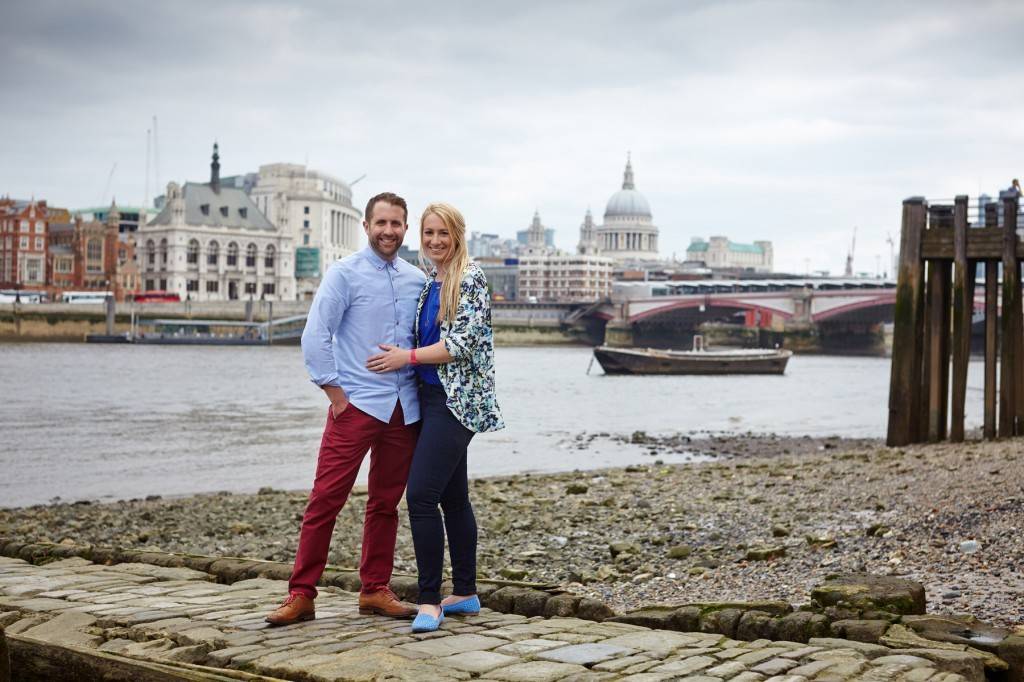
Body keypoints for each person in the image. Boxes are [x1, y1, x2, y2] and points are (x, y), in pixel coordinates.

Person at [265, 192, 425, 626]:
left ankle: (374, 589)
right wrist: (335, 393)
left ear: (405, 228)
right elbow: (315, 335)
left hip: (402, 410)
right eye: (381, 223)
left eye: (396, 224)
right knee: (325, 499)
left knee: (385, 504)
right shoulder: (344, 274)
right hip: (354, 405)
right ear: (367, 226)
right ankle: (301, 594)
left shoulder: (417, 280)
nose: (388, 231)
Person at [367, 202, 504, 633]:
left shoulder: (471, 278)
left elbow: (460, 343)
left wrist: (404, 357)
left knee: (420, 496)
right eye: (428, 234)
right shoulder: (430, 284)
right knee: (453, 498)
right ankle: (465, 591)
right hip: (427, 397)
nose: (434, 241)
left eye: (442, 233)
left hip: (457, 402)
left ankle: (429, 601)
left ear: (458, 234)